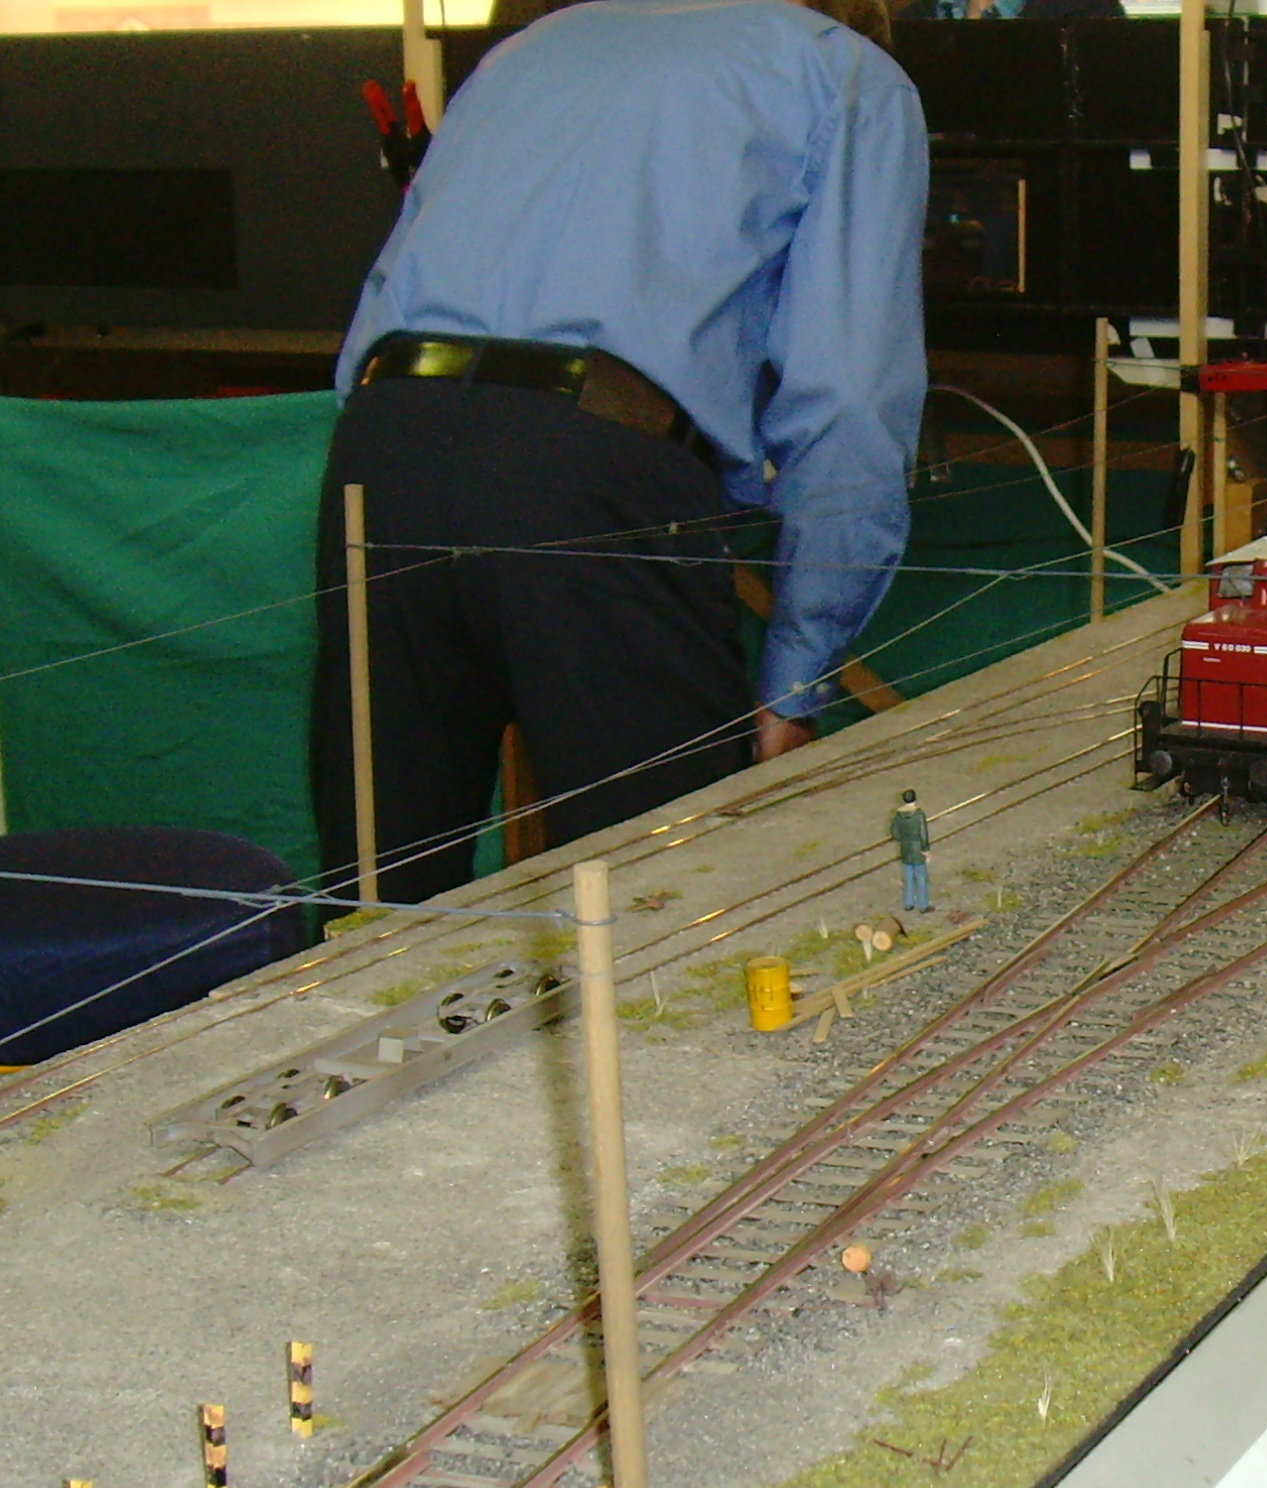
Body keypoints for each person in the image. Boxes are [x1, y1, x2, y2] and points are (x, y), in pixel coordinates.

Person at [313, 0, 927, 904]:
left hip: (383, 443)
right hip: (590, 465)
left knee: (377, 900)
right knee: (661, 901)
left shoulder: (528, 50)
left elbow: (388, 283)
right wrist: (796, 678)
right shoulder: (843, 72)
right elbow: (848, 396)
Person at [890, 790, 932, 913]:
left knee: (908, 877)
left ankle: (908, 903)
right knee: (921, 877)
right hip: (918, 850)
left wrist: (903, 840)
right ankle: (923, 905)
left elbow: (894, 832)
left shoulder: (898, 815)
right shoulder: (919, 814)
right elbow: (923, 834)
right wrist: (925, 849)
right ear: (915, 799)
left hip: (905, 849)